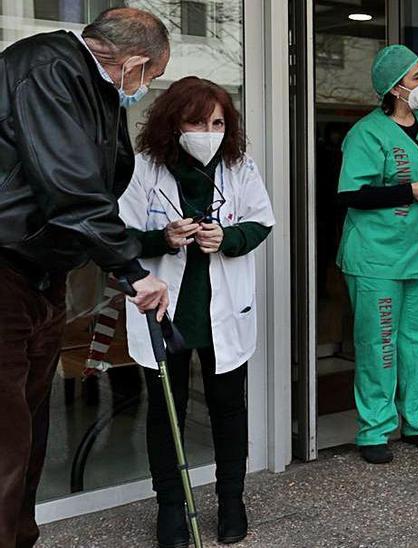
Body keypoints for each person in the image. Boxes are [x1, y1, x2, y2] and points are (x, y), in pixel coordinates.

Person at [0, 8, 170, 547]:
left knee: (28, 432)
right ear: (135, 63)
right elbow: (70, 188)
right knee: (5, 439)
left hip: (40, 275)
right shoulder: (48, 69)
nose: (144, 90)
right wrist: (132, 272)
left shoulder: (92, 83)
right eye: (151, 78)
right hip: (5, 271)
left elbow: (102, 187)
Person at [117, 77, 275, 547]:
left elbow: (261, 221)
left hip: (222, 308)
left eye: (218, 122)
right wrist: (161, 239)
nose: (209, 131)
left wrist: (228, 239)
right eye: (197, 121)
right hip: (165, 310)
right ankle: (171, 507)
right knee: (167, 413)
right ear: (172, 123)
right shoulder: (144, 168)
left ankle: (231, 501)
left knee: (229, 410)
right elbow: (118, 234)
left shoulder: (239, 165)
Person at [336, 45, 418, 464]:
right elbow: (352, 192)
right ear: (395, 87)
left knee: (414, 342)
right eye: (417, 77)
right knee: (378, 344)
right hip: (377, 257)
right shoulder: (366, 133)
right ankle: (373, 429)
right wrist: (409, 191)